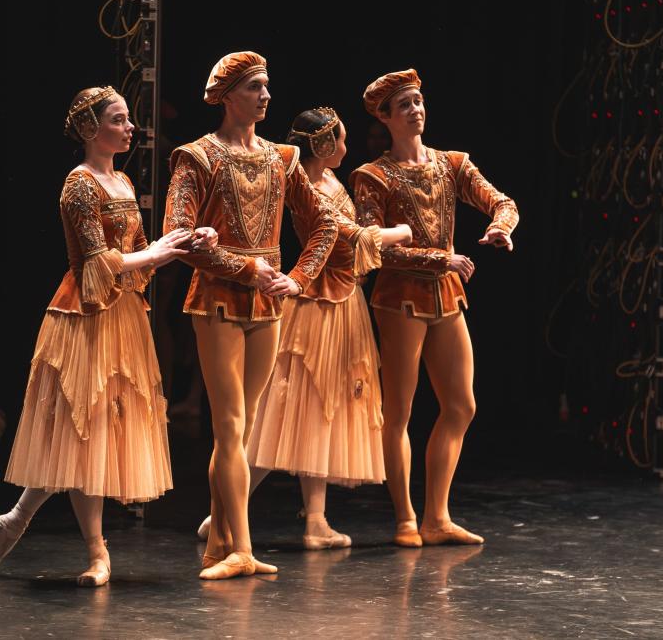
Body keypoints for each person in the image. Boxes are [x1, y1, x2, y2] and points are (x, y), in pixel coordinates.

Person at [0, 86, 216, 586]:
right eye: (118, 119)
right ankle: (91, 550)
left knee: (97, 430)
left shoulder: (122, 180)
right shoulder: (79, 184)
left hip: (121, 315)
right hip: (85, 315)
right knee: (82, 428)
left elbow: (140, 251)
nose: (130, 127)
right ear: (90, 129)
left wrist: (184, 241)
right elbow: (96, 262)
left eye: (128, 119)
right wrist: (158, 253)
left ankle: (22, 522)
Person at [163, 51, 338, 579]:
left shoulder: (282, 158)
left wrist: (298, 278)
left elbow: (325, 224)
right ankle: (241, 547)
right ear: (226, 96)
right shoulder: (197, 156)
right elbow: (177, 236)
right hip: (217, 299)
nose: (265, 96)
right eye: (254, 87)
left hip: (268, 303)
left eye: (266, 86)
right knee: (230, 425)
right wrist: (247, 268)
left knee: (241, 432)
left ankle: (219, 545)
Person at [351, 69, 519, 547]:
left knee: (461, 405)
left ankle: (437, 516)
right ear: (386, 117)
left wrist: (501, 227)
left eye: (419, 101)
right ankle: (405, 518)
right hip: (399, 298)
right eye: (404, 104)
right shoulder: (373, 176)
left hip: (445, 295)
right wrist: (442, 258)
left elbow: (502, 201)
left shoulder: (451, 164)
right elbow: (374, 247)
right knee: (399, 411)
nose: (416, 110)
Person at [242, 107, 411, 549]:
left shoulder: (333, 180)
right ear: (321, 145)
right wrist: (399, 232)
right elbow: (348, 234)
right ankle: (225, 509)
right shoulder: (308, 187)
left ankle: (315, 521)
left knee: (323, 413)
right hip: (315, 304)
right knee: (285, 416)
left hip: (343, 300)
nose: (346, 147)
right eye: (339, 140)